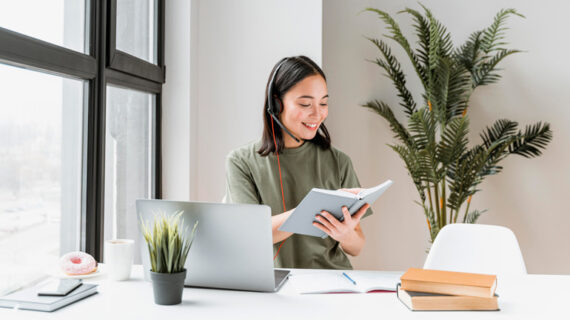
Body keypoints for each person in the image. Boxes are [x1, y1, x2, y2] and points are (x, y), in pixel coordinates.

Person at [224, 56, 372, 269]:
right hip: (272, 288)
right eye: (305, 104)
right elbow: (251, 234)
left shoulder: (339, 161)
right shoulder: (241, 162)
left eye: (323, 103)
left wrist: (346, 235)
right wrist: (311, 210)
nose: (318, 114)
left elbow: (356, 248)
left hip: (332, 284)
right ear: (276, 104)